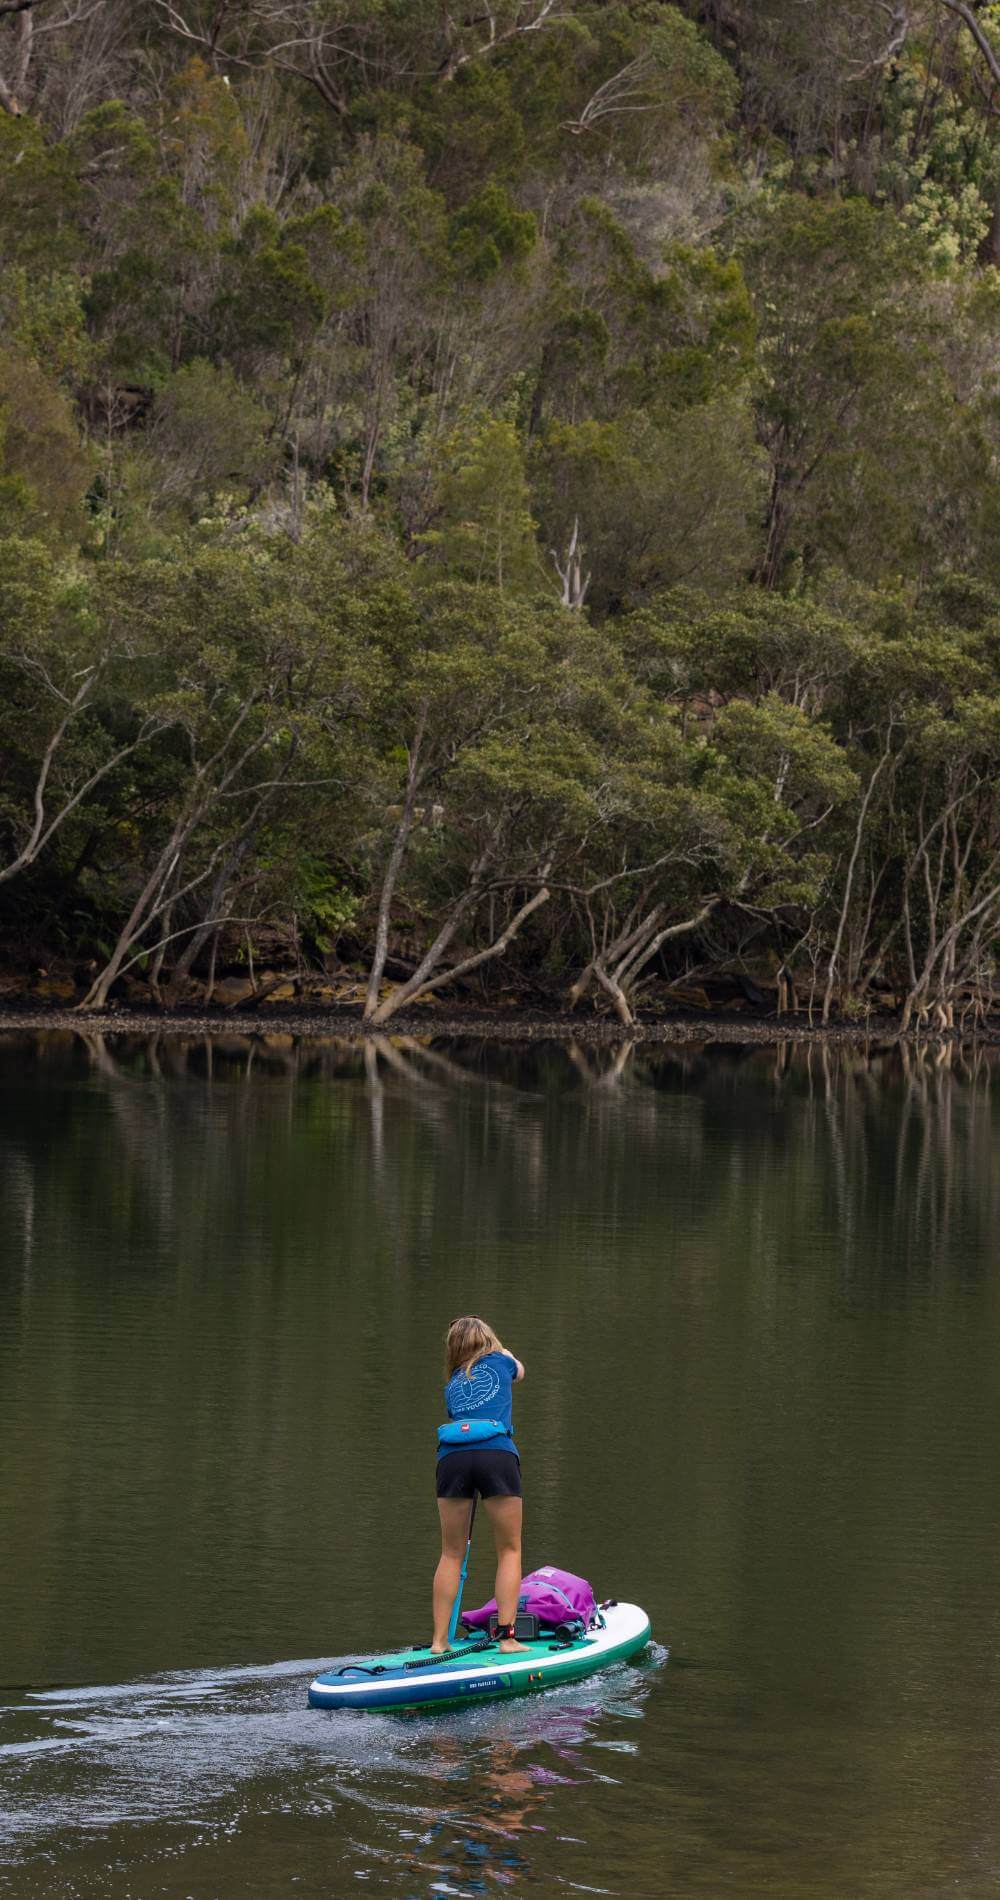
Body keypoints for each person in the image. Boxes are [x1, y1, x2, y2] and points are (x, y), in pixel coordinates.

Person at [432, 1314, 526, 1655]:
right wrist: (506, 1352)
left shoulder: (453, 1383)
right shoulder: (501, 1360)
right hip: (495, 1455)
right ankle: (507, 1639)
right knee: (509, 1549)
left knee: (450, 1553)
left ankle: (439, 1642)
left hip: (451, 1458)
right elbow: (520, 1370)